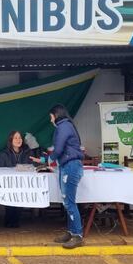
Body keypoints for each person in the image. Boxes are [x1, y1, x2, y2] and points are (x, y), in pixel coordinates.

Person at [47, 105, 85, 249]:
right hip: (66, 165)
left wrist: (49, 159)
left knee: (69, 202)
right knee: (67, 202)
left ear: (56, 115)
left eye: (51, 117)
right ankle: (71, 232)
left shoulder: (63, 127)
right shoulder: (66, 126)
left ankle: (78, 235)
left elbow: (58, 148)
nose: (50, 120)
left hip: (70, 166)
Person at [0, 130, 35, 228]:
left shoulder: (27, 151)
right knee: (9, 201)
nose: (18, 140)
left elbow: (31, 166)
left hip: (22, 182)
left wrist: (19, 168)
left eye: (20, 138)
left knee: (19, 200)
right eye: (15, 138)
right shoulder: (4, 153)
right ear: (11, 140)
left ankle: (16, 221)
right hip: (8, 183)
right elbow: (1, 169)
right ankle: (9, 220)